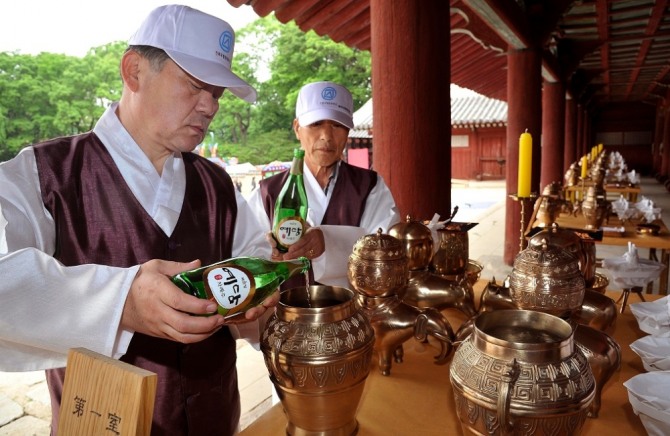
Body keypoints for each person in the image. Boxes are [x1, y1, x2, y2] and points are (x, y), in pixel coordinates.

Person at [0, 5, 275, 435]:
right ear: (134, 71)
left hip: (215, 417)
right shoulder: (43, 177)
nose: (209, 107)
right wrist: (119, 302)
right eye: (194, 85)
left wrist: (256, 294)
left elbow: (255, 253)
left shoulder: (219, 185)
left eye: (217, 93)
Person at [248, 81, 400, 288]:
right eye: (316, 124)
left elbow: (387, 251)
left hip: (350, 314)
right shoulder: (267, 192)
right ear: (297, 128)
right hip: (285, 314)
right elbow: (246, 254)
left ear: (347, 132)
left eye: (337, 125)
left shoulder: (369, 187)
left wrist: (328, 243)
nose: (326, 137)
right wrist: (269, 253)